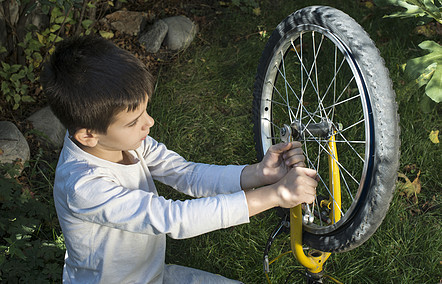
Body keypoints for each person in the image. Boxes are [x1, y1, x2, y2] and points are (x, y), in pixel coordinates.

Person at [40, 35, 318, 284]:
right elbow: (174, 218)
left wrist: (258, 174)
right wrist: (275, 194)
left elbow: (186, 174)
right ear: (88, 136)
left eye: (146, 110)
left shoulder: (117, 140)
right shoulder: (83, 187)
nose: (149, 122)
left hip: (152, 275)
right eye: (134, 121)